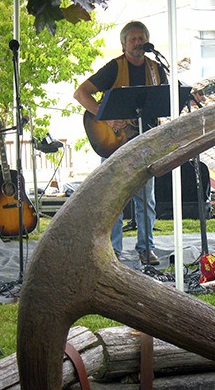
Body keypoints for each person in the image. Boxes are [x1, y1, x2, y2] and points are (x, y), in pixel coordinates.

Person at [74, 21, 166, 265]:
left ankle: (146, 249)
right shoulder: (114, 68)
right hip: (115, 142)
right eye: (132, 39)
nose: (137, 43)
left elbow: (167, 98)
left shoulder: (157, 69)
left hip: (146, 140)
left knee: (146, 198)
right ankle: (113, 251)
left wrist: (190, 94)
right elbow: (81, 93)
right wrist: (105, 116)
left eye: (141, 38)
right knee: (113, 197)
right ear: (124, 44)